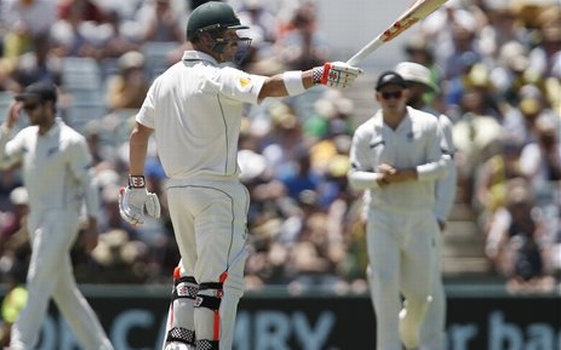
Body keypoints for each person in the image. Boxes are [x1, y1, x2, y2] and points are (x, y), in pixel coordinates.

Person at [116, 2, 362, 350]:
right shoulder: (218, 76)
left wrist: (136, 185)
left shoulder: (164, 80)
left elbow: (138, 133)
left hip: (179, 194)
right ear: (204, 38)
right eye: (227, 35)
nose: (234, 42)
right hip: (218, 192)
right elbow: (270, 87)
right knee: (219, 282)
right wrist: (319, 75)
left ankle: (178, 342)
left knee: (190, 272)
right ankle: (207, 346)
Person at [0, 82, 113, 350]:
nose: (28, 111)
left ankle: (20, 344)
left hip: (63, 218)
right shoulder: (26, 137)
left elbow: (89, 183)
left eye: (33, 106)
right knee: (64, 292)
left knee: (38, 278)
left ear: (50, 105)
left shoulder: (71, 140)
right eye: (26, 106)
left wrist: (93, 223)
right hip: (37, 220)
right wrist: (7, 127)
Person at [348, 71, 448, 350]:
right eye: (386, 94)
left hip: (419, 217)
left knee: (420, 296)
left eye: (397, 93)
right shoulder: (366, 132)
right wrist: (379, 179)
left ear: (406, 94)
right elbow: (354, 177)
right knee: (385, 289)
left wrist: (410, 174)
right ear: (377, 97)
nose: (392, 100)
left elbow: (442, 167)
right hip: (383, 218)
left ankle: (410, 335)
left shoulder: (428, 125)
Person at [395, 61, 458, 350]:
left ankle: (430, 345)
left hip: (425, 216)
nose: (404, 90)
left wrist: (440, 215)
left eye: (410, 84)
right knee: (390, 287)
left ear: (422, 88)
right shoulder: (385, 120)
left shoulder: (439, 122)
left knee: (428, 287)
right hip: (391, 216)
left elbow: (447, 175)